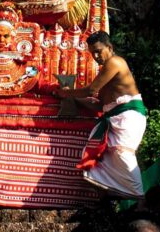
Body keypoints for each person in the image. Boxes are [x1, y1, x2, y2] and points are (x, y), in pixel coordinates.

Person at [56, 30, 148, 198]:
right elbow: (99, 104)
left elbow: (91, 90)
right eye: (92, 53)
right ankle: (108, 204)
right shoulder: (106, 72)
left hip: (129, 116)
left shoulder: (115, 62)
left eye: (98, 51)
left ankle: (140, 198)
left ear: (109, 47)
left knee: (122, 154)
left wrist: (67, 93)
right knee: (100, 161)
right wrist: (76, 100)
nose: (96, 56)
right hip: (115, 117)